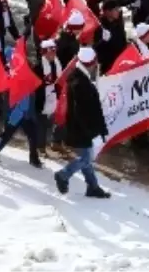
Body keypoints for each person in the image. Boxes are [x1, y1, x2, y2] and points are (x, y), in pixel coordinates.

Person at [53, 47, 111, 198]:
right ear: (91, 63)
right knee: (86, 158)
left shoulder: (77, 77)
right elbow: (82, 111)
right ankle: (63, 175)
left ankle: (93, 187)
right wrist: (91, 131)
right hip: (81, 129)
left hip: (79, 127)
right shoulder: (80, 83)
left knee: (87, 159)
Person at [0, 46, 43, 168]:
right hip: (15, 113)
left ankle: (34, 157)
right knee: (6, 134)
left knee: (33, 134)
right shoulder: (8, 74)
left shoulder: (22, 69)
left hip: (27, 111)